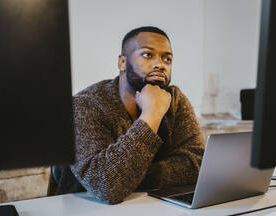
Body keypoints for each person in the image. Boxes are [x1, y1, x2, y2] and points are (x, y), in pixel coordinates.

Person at [51, 26, 204, 204]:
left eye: (167, 58)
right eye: (147, 55)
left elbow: (197, 165)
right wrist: (151, 114)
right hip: (85, 214)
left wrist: (130, 177)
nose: (160, 64)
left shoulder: (174, 99)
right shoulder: (84, 105)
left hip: (151, 207)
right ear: (122, 62)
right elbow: (107, 186)